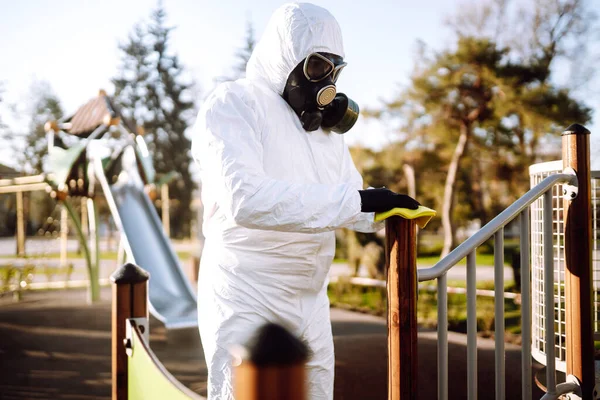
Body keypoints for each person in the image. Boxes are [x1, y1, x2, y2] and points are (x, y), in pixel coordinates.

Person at [191, 3, 419, 399]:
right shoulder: (233, 104)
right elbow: (245, 199)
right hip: (247, 294)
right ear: (286, 57)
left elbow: (350, 199)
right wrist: (359, 204)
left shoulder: (325, 133)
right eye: (317, 67)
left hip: (311, 300)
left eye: (335, 69)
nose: (326, 81)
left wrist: (389, 211)